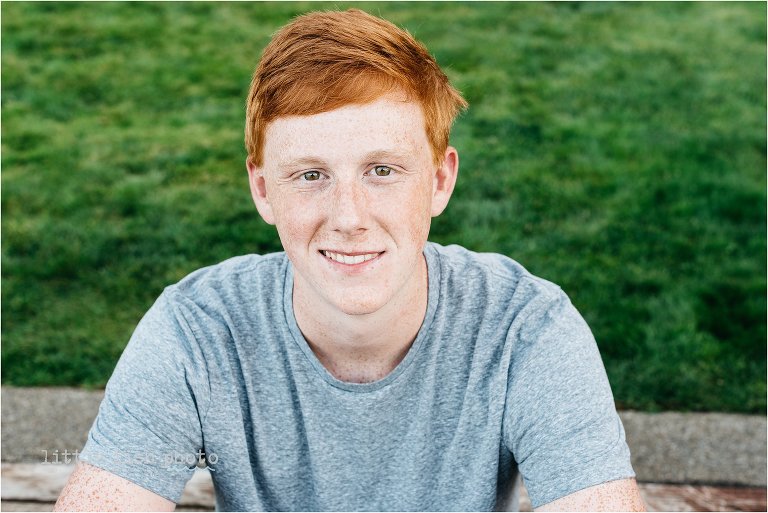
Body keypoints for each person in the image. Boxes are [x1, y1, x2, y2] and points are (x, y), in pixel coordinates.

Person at [55, 8, 645, 512]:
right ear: (263, 191)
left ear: (440, 181)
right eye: (310, 175)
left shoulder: (526, 330)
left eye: (381, 171)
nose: (348, 216)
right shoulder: (199, 330)